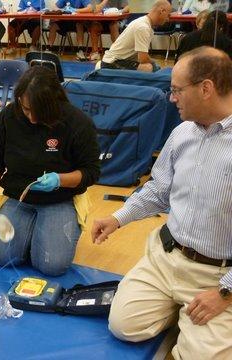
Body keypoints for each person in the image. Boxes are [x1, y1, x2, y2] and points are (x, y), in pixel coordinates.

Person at [91, 46, 232, 359]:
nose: (172, 98)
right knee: (123, 325)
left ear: (206, 88)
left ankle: (194, 319)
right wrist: (117, 218)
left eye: (177, 90)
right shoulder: (182, 132)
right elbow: (158, 190)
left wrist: (225, 292)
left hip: (218, 276)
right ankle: (180, 311)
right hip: (166, 258)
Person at [0, 66, 100, 276]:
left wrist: (60, 180)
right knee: (1, 256)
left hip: (59, 199)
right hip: (19, 197)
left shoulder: (77, 123)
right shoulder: (9, 116)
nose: (32, 118)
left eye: (38, 112)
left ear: (54, 103)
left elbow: (91, 172)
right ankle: (33, 233)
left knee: (52, 265)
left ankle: (43, 233)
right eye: (26, 109)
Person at [101, 0, 172, 71]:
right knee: (147, 68)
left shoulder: (146, 24)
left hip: (119, 60)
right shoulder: (143, 27)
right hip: (111, 63)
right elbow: (143, 59)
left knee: (152, 66)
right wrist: (155, 64)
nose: (168, 19)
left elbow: (141, 57)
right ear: (162, 11)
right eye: (168, 15)